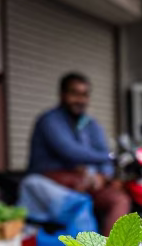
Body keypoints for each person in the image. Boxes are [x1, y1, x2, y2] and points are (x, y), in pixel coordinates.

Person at [26, 72, 130, 235]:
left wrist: (104, 175)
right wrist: (111, 157)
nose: (80, 100)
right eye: (74, 94)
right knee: (81, 199)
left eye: (84, 95)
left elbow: (102, 152)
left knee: (119, 199)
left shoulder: (90, 123)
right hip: (52, 179)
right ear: (62, 95)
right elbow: (70, 152)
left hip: (84, 180)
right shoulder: (49, 120)